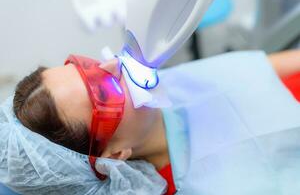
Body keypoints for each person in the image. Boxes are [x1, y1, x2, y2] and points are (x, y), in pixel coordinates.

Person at [13, 50, 300, 194]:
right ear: (114, 154)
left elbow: (274, 65)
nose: (114, 65)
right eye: (102, 91)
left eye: (88, 66)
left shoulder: (168, 87)